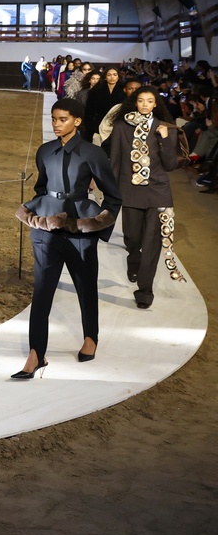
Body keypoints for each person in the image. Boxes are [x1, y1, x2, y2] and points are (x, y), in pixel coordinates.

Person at [13, 98, 121, 378]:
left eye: (63, 119)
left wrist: (99, 225)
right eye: (54, 119)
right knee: (42, 292)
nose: (57, 124)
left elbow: (113, 195)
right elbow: (41, 188)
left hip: (80, 229)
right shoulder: (44, 151)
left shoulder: (93, 153)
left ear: (77, 121)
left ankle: (91, 337)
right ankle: (36, 354)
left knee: (86, 286)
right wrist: (39, 213)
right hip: (45, 228)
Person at [108, 86, 183, 309]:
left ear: (155, 104)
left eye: (149, 101)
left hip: (158, 191)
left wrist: (164, 138)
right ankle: (134, 259)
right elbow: (115, 161)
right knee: (132, 236)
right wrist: (111, 192)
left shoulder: (165, 128)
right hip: (130, 190)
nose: (144, 105)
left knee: (152, 242)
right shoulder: (121, 126)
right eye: (141, 101)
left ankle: (145, 291)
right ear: (135, 103)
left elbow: (170, 165)